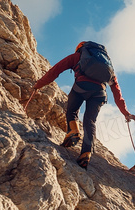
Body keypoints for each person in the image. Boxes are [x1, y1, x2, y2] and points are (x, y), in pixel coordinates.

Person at [33, 41, 129, 169]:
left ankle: (73, 130)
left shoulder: (77, 57)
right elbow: (117, 93)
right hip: (100, 93)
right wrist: (125, 113)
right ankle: (86, 153)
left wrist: (38, 85)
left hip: (81, 86)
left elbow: (55, 71)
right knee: (90, 121)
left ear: (80, 49)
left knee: (72, 111)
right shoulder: (108, 68)